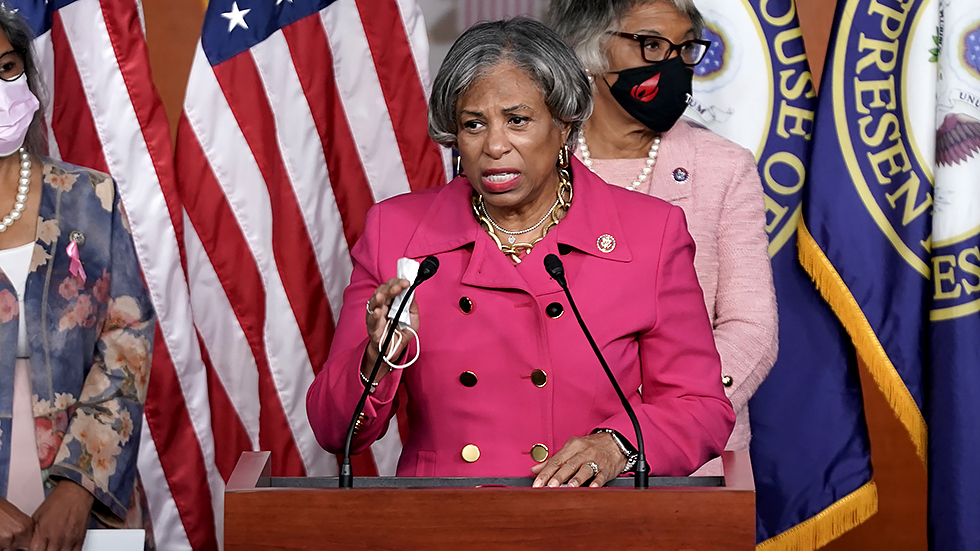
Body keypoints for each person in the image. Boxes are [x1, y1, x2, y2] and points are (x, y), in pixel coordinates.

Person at [307, 18, 734, 488]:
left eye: (518, 120)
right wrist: (377, 358)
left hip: (591, 518)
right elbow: (332, 429)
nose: (494, 145)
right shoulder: (398, 232)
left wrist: (619, 445)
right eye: (474, 124)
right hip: (442, 522)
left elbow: (701, 408)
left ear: (564, 124)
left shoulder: (650, 233)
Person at [549, 0, 778, 474]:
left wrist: (656, 423)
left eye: (684, 49)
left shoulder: (725, 167)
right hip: (556, 450)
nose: (672, 66)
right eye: (651, 45)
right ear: (589, 53)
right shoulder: (534, 161)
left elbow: (751, 327)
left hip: (689, 452)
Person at [0, 8, 156, 551]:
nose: (1, 88)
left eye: (7, 67)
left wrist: (78, 487)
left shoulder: (91, 200)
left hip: (85, 506)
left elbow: (126, 346)